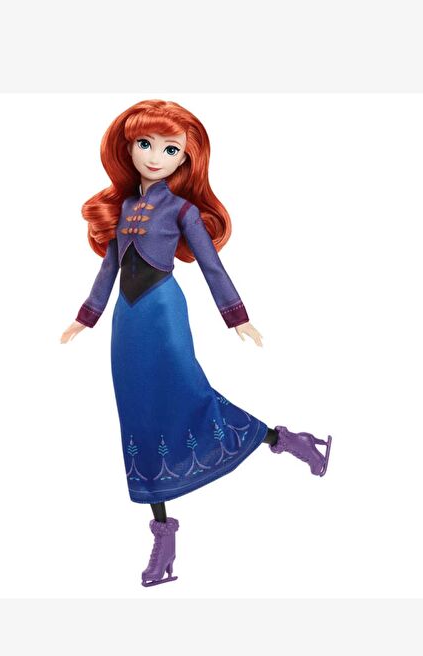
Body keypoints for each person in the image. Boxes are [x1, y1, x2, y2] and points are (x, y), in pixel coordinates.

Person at [60, 99, 332, 587]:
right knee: (137, 414)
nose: (155, 156)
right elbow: (109, 269)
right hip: (127, 320)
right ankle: (163, 536)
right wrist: (86, 318)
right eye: (145, 144)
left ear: (186, 157)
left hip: (164, 313)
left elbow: (211, 265)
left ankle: (286, 441)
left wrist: (237, 318)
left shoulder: (182, 209)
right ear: (128, 147)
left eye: (170, 149)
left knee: (192, 396)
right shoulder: (124, 208)